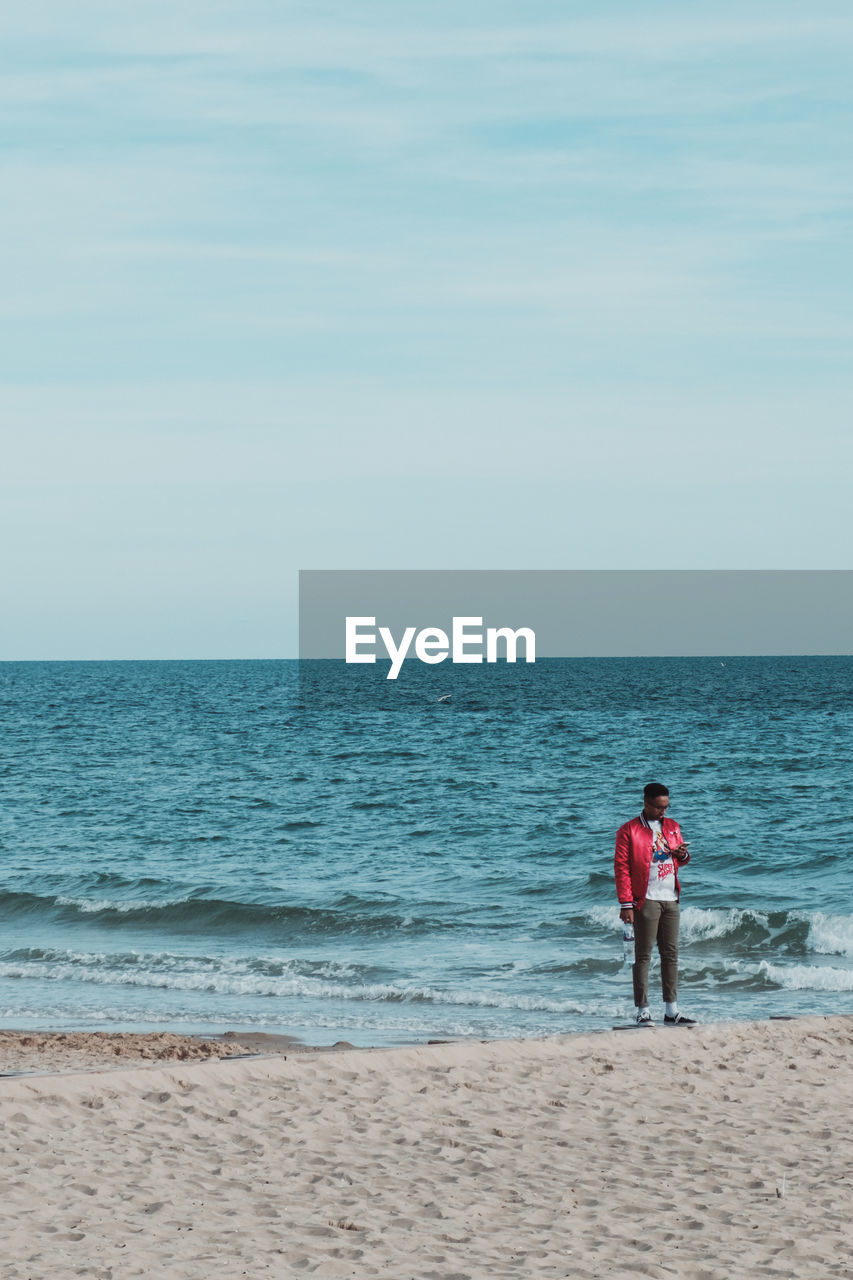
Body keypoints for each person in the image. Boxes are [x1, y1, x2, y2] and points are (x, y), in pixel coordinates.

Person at [614, 783, 696, 1027]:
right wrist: (626, 903)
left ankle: (672, 1011)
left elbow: (682, 860)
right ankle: (643, 1011)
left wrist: (681, 854)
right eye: (659, 808)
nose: (663, 812)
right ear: (646, 803)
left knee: (671, 954)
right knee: (643, 956)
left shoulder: (672, 826)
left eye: (666, 807)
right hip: (645, 898)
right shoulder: (629, 830)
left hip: (670, 897)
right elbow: (621, 868)